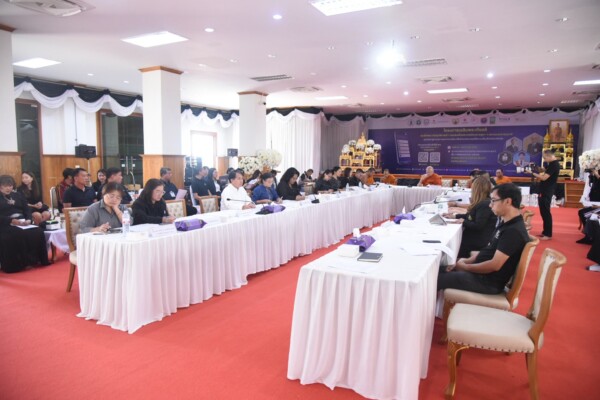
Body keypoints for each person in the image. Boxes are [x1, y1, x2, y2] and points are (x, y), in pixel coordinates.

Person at [437, 183, 530, 294]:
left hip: (487, 282)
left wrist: (466, 267)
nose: (490, 205)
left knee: (435, 278)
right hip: (480, 274)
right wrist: (466, 261)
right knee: (438, 269)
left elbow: (494, 265)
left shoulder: (513, 231)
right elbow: (489, 250)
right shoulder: (506, 223)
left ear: (507, 201)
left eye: (493, 201)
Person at [0, 175, 51, 272]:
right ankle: (19, 264)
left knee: (38, 231)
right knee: (16, 233)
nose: (8, 188)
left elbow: (27, 209)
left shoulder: (18, 195)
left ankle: (36, 260)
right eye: (5, 186)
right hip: (5, 224)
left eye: (10, 186)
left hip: (22, 222)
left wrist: (28, 219)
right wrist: (11, 221)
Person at [444, 177, 497, 259]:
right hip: (475, 237)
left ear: (476, 189)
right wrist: (454, 216)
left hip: (477, 241)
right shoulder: (482, 202)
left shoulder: (485, 204)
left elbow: (478, 225)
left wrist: (463, 221)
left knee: (450, 241)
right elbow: (470, 216)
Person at [527, 149, 559, 240]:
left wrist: (532, 173)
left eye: (545, 158)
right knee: (543, 212)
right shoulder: (551, 164)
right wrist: (538, 168)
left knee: (546, 212)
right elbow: (545, 172)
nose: (544, 160)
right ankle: (545, 232)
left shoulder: (554, 165)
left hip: (547, 190)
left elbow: (544, 178)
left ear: (549, 156)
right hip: (545, 189)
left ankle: (548, 234)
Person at [576, 169, 600, 243]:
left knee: (584, 214)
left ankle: (589, 236)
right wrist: (592, 174)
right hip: (596, 203)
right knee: (582, 212)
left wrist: (596, 174)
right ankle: (588, 234)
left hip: (598, 206)